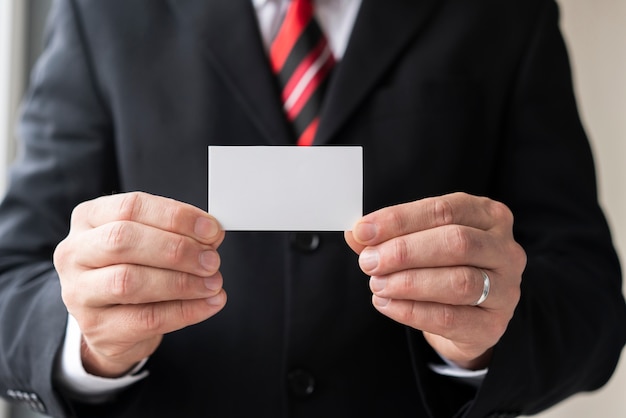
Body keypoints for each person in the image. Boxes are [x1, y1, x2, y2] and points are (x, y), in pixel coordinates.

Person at [0, 0, 625, 417]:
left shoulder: (505, 14)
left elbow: (592, 307)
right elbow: (10, 281)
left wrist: (487, 340)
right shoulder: (102, 11)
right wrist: (88, 345)